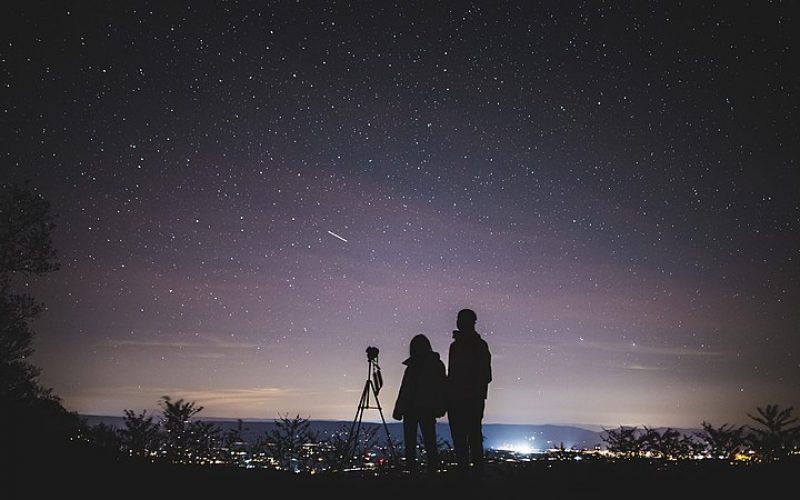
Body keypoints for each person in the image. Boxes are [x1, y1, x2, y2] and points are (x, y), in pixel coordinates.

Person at [392, 333, 447, 473]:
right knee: (422, 442)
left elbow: (440, 388)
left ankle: (425, 472)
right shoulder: (429, 365)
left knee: (425, 442)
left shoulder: (424, 366)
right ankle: (420, 471)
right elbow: (405, 389)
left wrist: (399, 409)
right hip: (417, 409)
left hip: (423, 408)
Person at [447, 308, 492, 477]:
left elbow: (485, 375)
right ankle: (468, 476)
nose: (458, 323)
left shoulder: (476, 346)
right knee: (467, 437)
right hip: (464, 399)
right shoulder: (458, 346)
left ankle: (471, 477)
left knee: (470, 437)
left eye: (461, 320)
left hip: (468, 399)